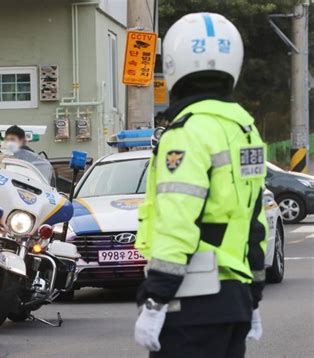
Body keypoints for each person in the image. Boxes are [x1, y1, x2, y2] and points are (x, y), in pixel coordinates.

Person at [134, 12, 267, 358]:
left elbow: (179, 218)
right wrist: (254, 293)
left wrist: (156, 297)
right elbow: (255, 220)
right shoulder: (246, 131)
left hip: (192, 301)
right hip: (234, 300)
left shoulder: (187, 132)